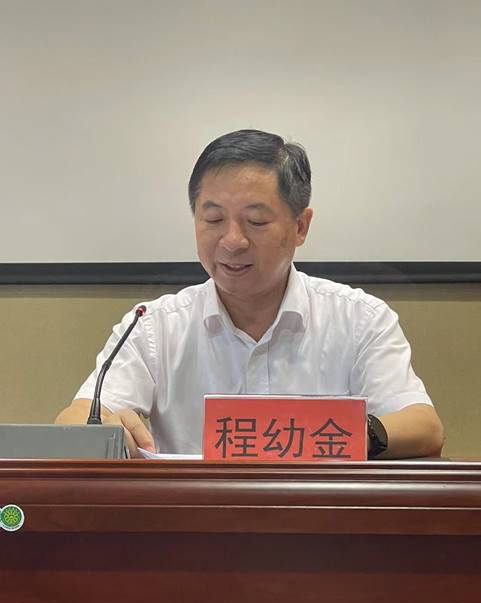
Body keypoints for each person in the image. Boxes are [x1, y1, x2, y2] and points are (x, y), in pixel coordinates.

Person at [56, 129, 444, 458]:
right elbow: (72, 420)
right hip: (193, 522)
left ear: (301, 226)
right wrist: (101, 429)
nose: (232, 240)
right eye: (213, 219)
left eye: (255, 221)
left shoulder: (360, 319)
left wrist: (341, 435)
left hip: (320, 521)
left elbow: (424, 427)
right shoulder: (153, 327)